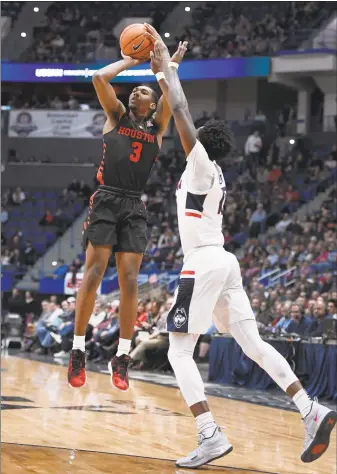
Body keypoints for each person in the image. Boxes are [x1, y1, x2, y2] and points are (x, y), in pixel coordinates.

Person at [144, 24, 337, 469]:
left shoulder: (200, 165)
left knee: (177, 350)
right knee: (252, 344)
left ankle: (209, 434)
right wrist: (169, 69)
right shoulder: (216, 174)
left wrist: (165, 71)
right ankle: (311, 409)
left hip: (204, 263)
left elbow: (180, 108)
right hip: (224, 262)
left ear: (201, 144)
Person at [67, 39, 188, 391]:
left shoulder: (158, 126)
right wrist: (128, 60)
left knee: (130, 281)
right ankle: (78, 350)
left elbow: (175, 100)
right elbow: (99, 80)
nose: (136, 92)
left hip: (134, 204)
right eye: (134, 90)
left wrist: (168, 67)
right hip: (106, 199)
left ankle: (120, 356)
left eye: (143, 91)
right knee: (93, 273)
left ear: (151, 105)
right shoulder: (116, 116)